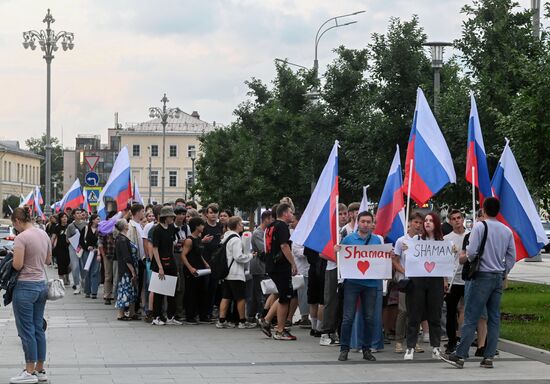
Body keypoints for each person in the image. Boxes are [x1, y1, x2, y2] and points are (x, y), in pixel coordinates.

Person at [440, 197, 516, 369]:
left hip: (481, 276)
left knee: (471, 315)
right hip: (497, 275)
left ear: (484, 210)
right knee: (494, 317)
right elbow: (511, 256)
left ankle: (460, 355)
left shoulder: (480, 227)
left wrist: (464, 258)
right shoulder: (506, 230)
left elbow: (472, 252)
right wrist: (505, 271)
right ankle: (488, 356)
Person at [9, 207, 52, 384]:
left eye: (14, 225)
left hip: (25, 286)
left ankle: (28, 372)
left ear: (18, 221)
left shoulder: (21, 238)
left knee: (26, 330)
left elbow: (18, 265)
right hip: (41, 285)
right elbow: (48, 260)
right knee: (38, 328)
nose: (15, 228)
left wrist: (13, 256)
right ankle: (40, 369)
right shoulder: (44, 234)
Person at [336, 211, 381, 362]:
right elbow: (340, 257)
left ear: (372, 223)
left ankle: (366, 349)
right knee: (348, 317)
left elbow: (381, 260)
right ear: (358, 222)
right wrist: (337, 250)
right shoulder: (348, 239)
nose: (366, 224)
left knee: (369, 318)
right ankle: (344, 348)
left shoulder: (376, 241)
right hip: (352, 283)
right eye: (363, 221)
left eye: (369, 222)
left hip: (371, 284)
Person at [403, 212, 446, 361]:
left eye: (430, 221)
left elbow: (445, 263)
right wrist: (406, 249)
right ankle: (410, 347)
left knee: (435, 314)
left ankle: (436, 347)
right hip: (417, 281)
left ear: (436, 223)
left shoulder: (442, 242)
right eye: (425, 220)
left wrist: (452, 253)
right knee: (414, 314)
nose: (427, 223)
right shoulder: (415, 240)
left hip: (435, 281)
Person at [260, 203, 298, 340]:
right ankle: (280, 330)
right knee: (285, 297)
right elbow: (284, 245)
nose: (292, 215)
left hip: (271, 265)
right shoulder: (282, 227)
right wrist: (292, 263)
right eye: (291, 212)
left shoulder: (271, 226)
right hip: (281, 266)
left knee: (283, 294)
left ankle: (267, 320)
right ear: (285, 213)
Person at [392, 211, 424, 354]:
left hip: (418, 280)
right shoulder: (401, 241)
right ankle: (399, 341)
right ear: (410, 223)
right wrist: (405, 271)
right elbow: (395, 260)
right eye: (415, 222)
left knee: (415, 311)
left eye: (420, 222)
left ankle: (414, 340)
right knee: (403, 310)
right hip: (405, 280)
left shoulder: (423, 240)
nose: (418, 225)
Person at [216, 217, 255, 328]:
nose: (242, 226)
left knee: (226, 297)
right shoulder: (236, 240)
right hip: (236, 273)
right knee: (240, 298)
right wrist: (251, 256)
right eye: (241, 224)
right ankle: (242, 322)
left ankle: (221, 320)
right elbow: (238, 257)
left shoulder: (226, 237)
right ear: (237, 225)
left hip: (226, 272)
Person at [443, 209, 469, 354]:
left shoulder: (470, 235)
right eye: (453, 218)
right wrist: (444, 279)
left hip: (467, 278)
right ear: (450, 221)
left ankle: (463, 339)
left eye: (459, 217)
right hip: (453, 279)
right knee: (451, 312)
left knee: (466, 311)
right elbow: (444, 261)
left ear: (463, 219)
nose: (457, 220)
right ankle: (451, 341)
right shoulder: (447, 238)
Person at [151, 206, 180, 325]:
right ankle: (156, 316)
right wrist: (160, 267)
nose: (172, 218)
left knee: (171, 291)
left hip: (170, 262)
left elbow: (172, 245)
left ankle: (170, 316)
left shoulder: (171, 228)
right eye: (170, 216)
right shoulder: (157, 230)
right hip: (160, 263)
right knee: (158, 292)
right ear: (164, 217)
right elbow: (155, 248)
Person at [181, 217, 210, 324]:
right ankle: (190, 316)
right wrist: (190, 268)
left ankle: (202, 315)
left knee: (202, 292)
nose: (203, 227)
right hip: (192, 269)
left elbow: (199, 254)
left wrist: (205, 263)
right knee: (191, 293)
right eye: (201, 225)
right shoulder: (189, 240)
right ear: (196, 226)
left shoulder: (199, 238)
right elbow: (183, 255)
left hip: (200, 268)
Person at [246, 210, 272, 321]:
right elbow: (264, 249)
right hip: (258, 266)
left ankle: (253, 315)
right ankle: (260, 315)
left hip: (263, 266)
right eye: (271, 219)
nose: (273, 221)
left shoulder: (265, 231)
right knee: (259, 292)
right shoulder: (258, 233)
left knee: (259, 292)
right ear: (266, 219)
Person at [201, 203, 224, 320]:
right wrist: (203, 241)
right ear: (206, 214)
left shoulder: (221, 227)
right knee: (204, 288)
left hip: (216, 262)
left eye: (215, 212)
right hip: (205, 261)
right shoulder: (203, 227)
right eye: (211, 212)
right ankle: (203, 313)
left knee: (213, 289)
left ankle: (209, 312)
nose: (213, 215)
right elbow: (196, 242)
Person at [114, 219, 139, 321]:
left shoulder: (123, 238)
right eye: (127, 223)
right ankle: (120, 314)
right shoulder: (122, 239)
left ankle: (131, 312)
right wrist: (132, 271)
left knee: (131, 290)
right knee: (125, 290)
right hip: (126, 270)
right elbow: (126, 257)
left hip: (128, 268)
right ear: (125, 227)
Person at [66, 208, 87, 294]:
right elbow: (67, 239)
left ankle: (84, 282)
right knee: (75, 266)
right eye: (77, 213)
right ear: (74, 215)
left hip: (83, 247)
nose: (79, 215)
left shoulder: (86, 224)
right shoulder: (70, 226)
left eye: (80, 213)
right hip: (73, 247)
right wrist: (74, 239)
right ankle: (77, 285)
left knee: (83, 266)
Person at [98, 212, 117, 306]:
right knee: (108, 276)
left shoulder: (118, 228)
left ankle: (115, 294)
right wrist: (103, 255)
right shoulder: (103, 229)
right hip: (107, 255)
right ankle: (107, 295)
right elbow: (100, 243)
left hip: (117, 256)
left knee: (116, 276)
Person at [83, 214, 101, 299]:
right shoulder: (86, 228)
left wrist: (98, 250)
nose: (98, 221)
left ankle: (94, 292)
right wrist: (87, 247)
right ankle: (87, 291)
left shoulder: (100, 229)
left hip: (97, 252)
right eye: (97, 219)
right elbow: (81, 241)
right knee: (87, 271)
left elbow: (101, 241)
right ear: (93, 220)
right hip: (88, 252)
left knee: (95, 272)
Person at [51, 213, 70, 286]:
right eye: (63, 217)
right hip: (60, 248)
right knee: (61, 264)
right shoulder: (57, 227)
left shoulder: (70, 226)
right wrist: (50, 246)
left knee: (68, 264)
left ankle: (67, 277)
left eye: (65, 217)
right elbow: (53, 237)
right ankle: (61, 280)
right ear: (60, 219)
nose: (64, 218)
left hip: (68, 248)